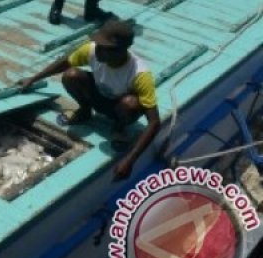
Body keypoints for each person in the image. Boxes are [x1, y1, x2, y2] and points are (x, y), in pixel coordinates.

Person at [18, 19, 160, 180]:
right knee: (71, 75)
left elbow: (154, 122)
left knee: (131, 104)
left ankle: (118, 128)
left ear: (121, 50)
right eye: (97, 44)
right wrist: (33, 79)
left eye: (104, 48)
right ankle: (84, 111)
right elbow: (65, 62)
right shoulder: (92, 50)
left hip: (118, 108)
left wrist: (130, 160)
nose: (97, 50)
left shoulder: (140, 74)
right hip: (97, 96)